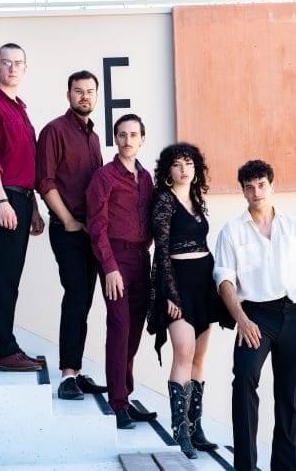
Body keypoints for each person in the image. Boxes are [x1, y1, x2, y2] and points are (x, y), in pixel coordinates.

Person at [214, 160, 296, 471]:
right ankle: (245, 466)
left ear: (272, 186)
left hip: (293, 313)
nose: (256, 192)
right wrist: (242, 319)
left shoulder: (292, 227)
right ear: (243, 191)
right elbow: (224, 280)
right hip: (255, 316)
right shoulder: (232, 231)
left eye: (261, 185)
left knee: (290, 395)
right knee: (245, 378)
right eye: (249, 187)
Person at [0, 43, 45, 372]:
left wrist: (33, 207)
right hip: (3, 198)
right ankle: (4, 350)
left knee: (12, 277)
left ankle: (10, 344)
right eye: (6, 62)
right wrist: (2, 201)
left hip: (21, 199)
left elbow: (26, 163)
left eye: (18, 63)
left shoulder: (20, 109)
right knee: (3, 275)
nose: (12, 68)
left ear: (25, 69)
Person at [36, 70, 107, 399]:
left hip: (91, 231)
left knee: (85, 300)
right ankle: (67, 376)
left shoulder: (93, 137)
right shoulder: (55, 130)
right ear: (68, 95)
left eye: (90, 91)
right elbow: (45, 181)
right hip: (68, 228)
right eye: (79, 91)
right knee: (77, 295)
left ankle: (75, 371)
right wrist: (67, 220)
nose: (85, 96)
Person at [147, 142, 220, 459]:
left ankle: (195, 427)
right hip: (178, 284)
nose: (184, 169)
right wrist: (170, 294)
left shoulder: (196, 198)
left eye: (188, 163)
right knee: (184, 351)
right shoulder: (164, 199)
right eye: (177, 164)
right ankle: (181, 433)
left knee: (199, 357)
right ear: (168, 171)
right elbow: (161, 250)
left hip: (203, 284)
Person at [86, 113, 156, 429]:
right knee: (120, 327)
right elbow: (96, 225)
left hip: (142, 260)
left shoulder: (146, 179)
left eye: (133, 135)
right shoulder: (104, 176)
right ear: (115, 138)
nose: (128, 140)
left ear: (142, 139)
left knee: (135, 331)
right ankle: (117, 404)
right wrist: (110, 267)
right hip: (116, 259)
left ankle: (125, 395)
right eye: (122, 135)